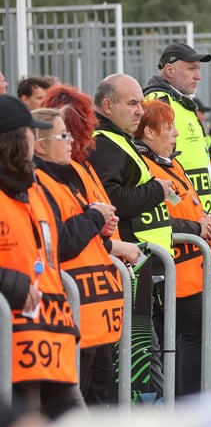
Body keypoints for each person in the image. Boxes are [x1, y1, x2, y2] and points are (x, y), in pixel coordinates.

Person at [31, 108, 140, 406]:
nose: (71, 141)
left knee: (96, 401)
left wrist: (100, 227)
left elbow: (83, 236)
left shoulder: (64, 178)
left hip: (94, 315)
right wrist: (93, 218)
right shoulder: (40, 183)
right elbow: (61, 242)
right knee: (73, 408)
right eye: (62, 135)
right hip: (71, 316)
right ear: (40, 146)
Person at [87, 73, 173, 400]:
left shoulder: (118, 139)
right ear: (108, 105)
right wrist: (156, 190)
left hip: (140, 263)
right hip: (128, 265)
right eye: (133, 103)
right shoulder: (106, 143)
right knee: (138, 355)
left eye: (141, 103)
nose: (140, 110)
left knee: (145, 351)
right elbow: (113, 199)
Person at [0, 95, 83, 418]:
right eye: (28, 133)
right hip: (12, 341)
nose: (32, 141)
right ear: (13, 140)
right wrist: (11, 284)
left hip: (50, 338)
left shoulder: (34, 190)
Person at [134, 99, 211, 396]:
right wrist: (196, 227)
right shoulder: (145, 167)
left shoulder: (168, 162)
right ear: (149, 132)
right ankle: (185, 404)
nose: (176, 133)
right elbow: (155, 220)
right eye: (169, 127)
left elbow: (183, 205)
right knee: (196, 333)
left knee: (186, 335)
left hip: (188, 266)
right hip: (169, 269)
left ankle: (179, 401)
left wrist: (203, 221)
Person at [144, 42, 211, 213]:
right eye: (192, 69)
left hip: (200, 213)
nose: (198, 76)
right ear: (170, 70)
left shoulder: (181, 102)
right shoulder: (159, 101)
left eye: (198, 69)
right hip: (181, 213)